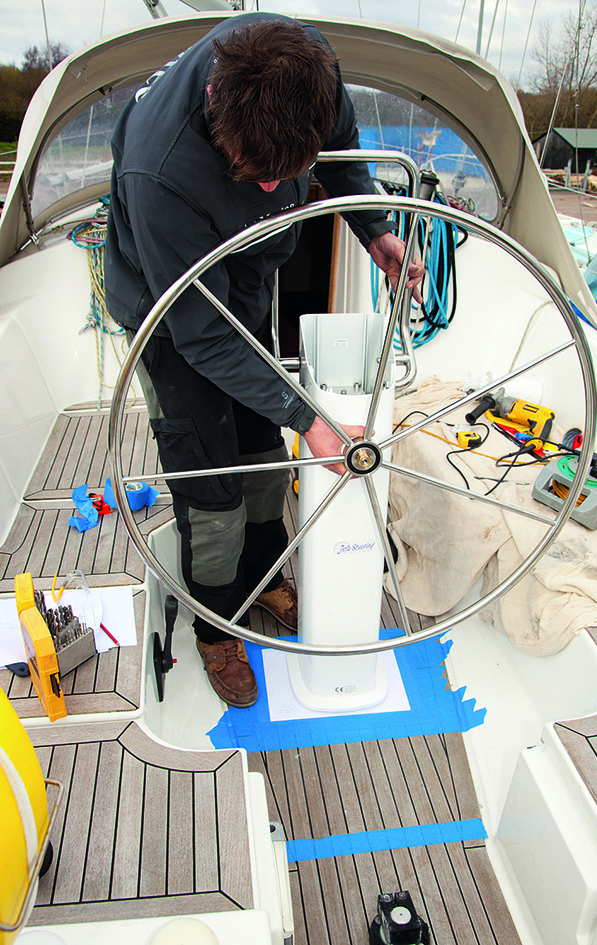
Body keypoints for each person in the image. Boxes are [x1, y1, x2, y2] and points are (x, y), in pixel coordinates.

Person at [105, 13, 422, 708]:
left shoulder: (311, 73)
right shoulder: (160, 173)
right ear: (220, 120)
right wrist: (309, 416)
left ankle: (266, 577)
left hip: (242, 278)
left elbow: (340, 150)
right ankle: (216, 623)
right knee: (212, 479)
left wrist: (375, 229)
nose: (277, 194)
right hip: (172, 311)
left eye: (290, 178)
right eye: (260, 176)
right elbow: (202, 336)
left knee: (262, 453)